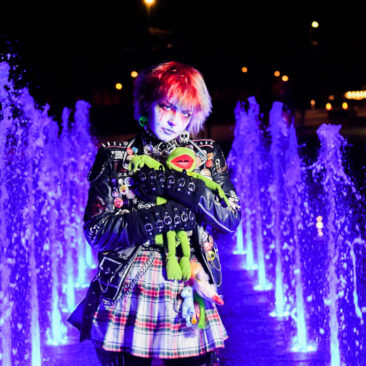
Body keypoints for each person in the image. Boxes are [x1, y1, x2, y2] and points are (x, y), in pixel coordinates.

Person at [68, 61, 241, 366]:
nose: (175, 121)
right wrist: (156, 218)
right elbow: (96, 230)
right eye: (167, 107)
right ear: (147, 102)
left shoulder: (207, 156)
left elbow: (230, 219)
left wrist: (190, 189)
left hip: (188, 282)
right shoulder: (115, 157)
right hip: (129, 285)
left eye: (185, 113)